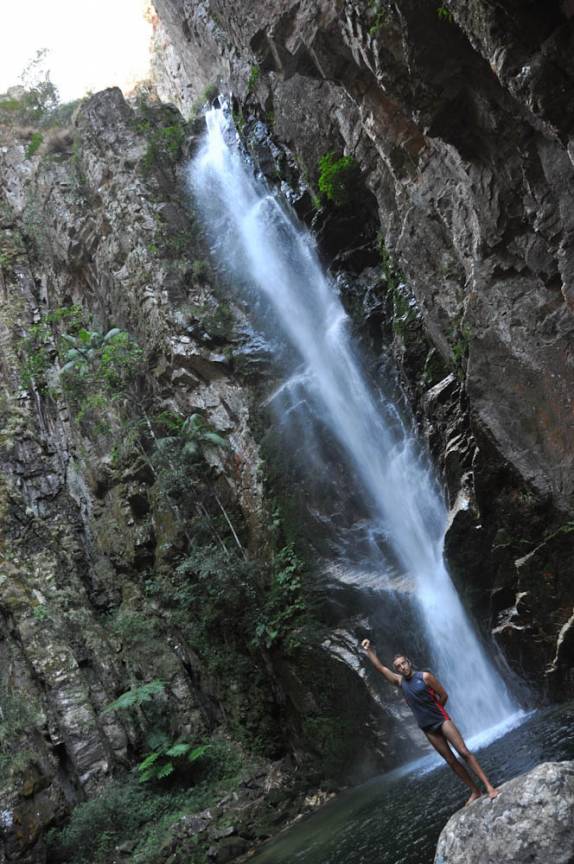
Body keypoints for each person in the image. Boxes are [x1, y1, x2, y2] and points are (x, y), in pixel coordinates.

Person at [361, 639, 498, 804]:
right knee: (451, 761)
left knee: (463, 752)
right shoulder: (400, 682)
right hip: (428, 728)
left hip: (441, 720)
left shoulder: (425, 677)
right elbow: (380, 668)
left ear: (408, 663)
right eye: (398, 666)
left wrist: (436, 710)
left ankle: (489, 786)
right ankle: (475, 791)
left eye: (403, 663)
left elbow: (444, 694)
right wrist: (369, 651)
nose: (402, 667)